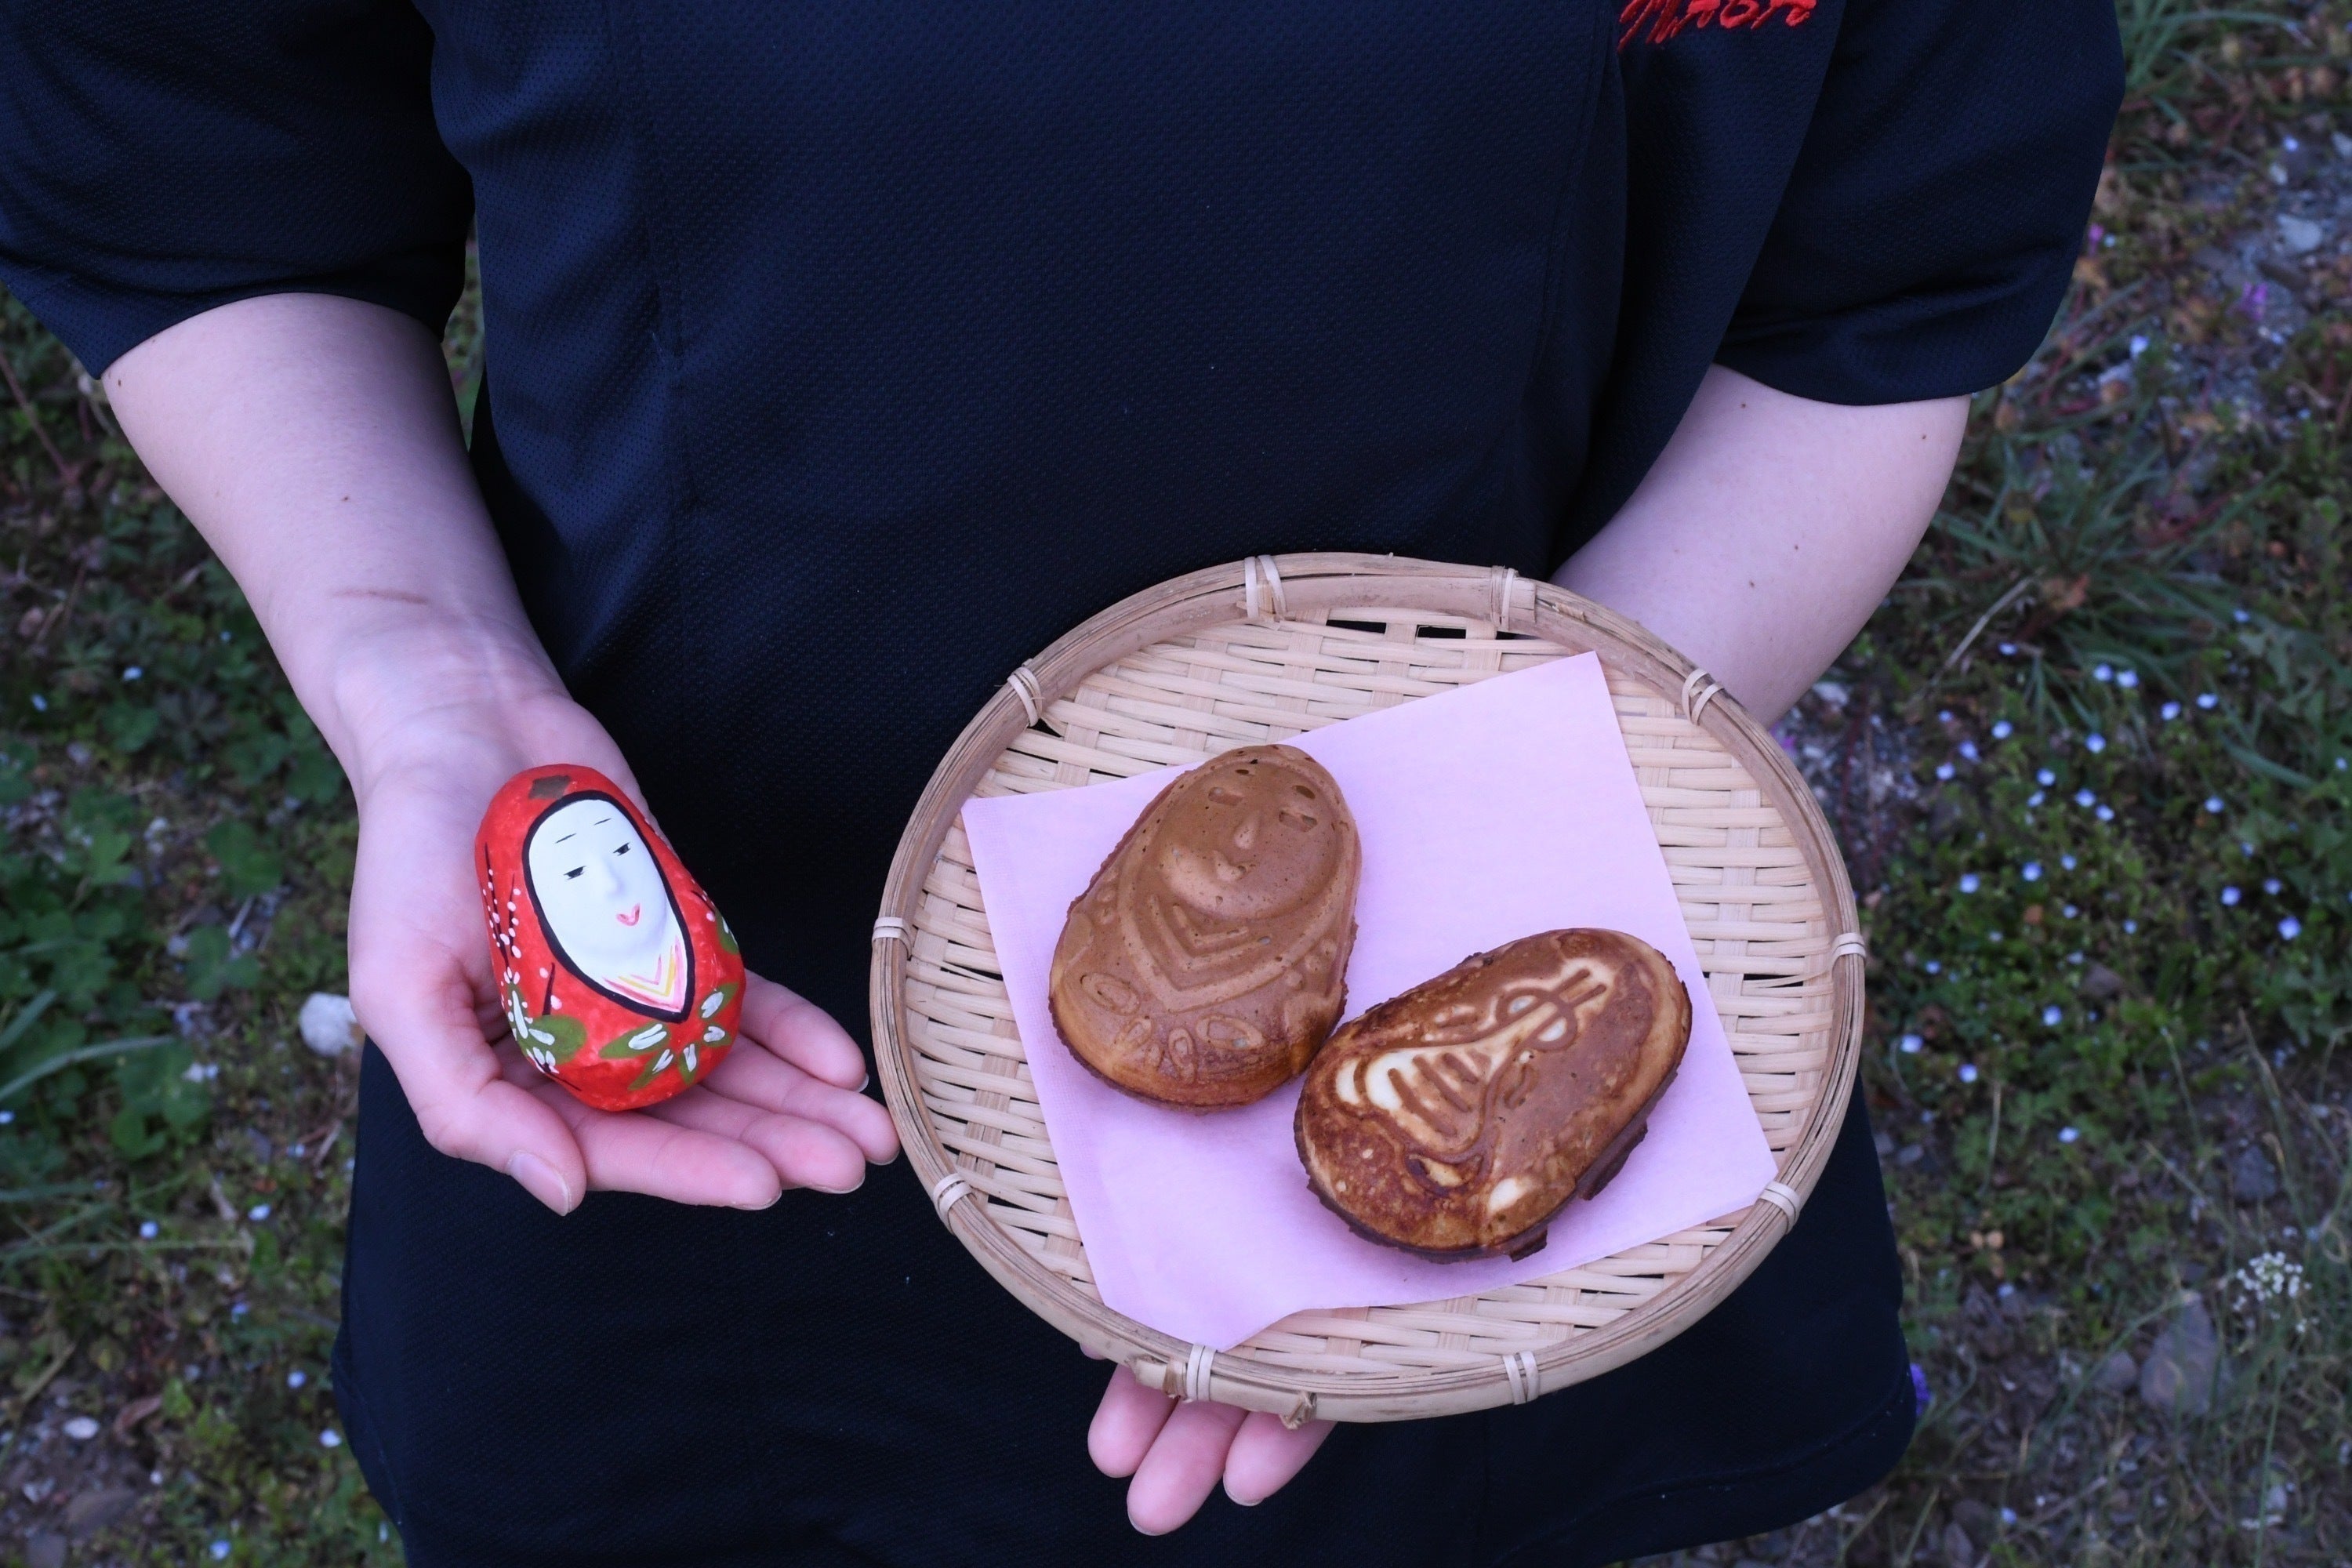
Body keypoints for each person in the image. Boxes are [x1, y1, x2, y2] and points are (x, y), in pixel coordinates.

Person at [0, 2, 2121, 1562]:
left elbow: (1877, 288)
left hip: (1448, 949)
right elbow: (200, 169)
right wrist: (423, 669)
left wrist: (1541, 776)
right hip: (704, 1001)